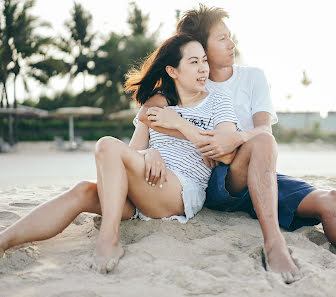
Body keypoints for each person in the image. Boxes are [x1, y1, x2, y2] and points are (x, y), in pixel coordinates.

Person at [137, 4, 336, 283]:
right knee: (262, 145)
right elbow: (150, 121)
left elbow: (263, 131)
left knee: (331, 198)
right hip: (215, 181)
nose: (232, 44)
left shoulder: (253, 77)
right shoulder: (182, 85)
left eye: (231, 37)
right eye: (222, 39)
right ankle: (275, 245)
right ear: (200, 48)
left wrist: (237, 137)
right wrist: (157, 147)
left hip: (258, 173)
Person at [0, 33, 238, 274]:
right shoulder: (155, 104)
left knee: (106, 144)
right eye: (194, 62)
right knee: (83, 190)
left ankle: (109, 238)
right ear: (172, 71)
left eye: (205, 60)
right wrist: (149, 153)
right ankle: (4, 241)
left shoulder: (219, 101)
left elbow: (225, 153)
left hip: (181, 190)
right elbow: (132, 152)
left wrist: (179, 122)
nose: (203, 69)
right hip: (143, 188)